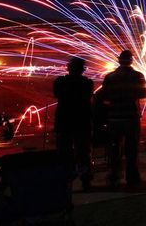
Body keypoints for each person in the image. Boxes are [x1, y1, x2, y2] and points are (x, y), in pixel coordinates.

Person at [96, 50, 146, 187]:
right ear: (131, 61)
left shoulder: (110, 77)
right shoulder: (137, 76)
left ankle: (114, 177)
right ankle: (132, 178)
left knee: (114, 150)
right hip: (131, 118)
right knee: (132, 149)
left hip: (114, 118)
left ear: (119, 61)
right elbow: (145, 93)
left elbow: (102, 96)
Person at [53, 57, 94, 191]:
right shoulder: (87, 83)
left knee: (64, 153)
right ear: (83, 70)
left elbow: (57, 94)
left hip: (64, 122)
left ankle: (64, 182)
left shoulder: (60, 82)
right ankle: (86, 181)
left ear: (68, 68)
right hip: (82, 122)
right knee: (83, 153)